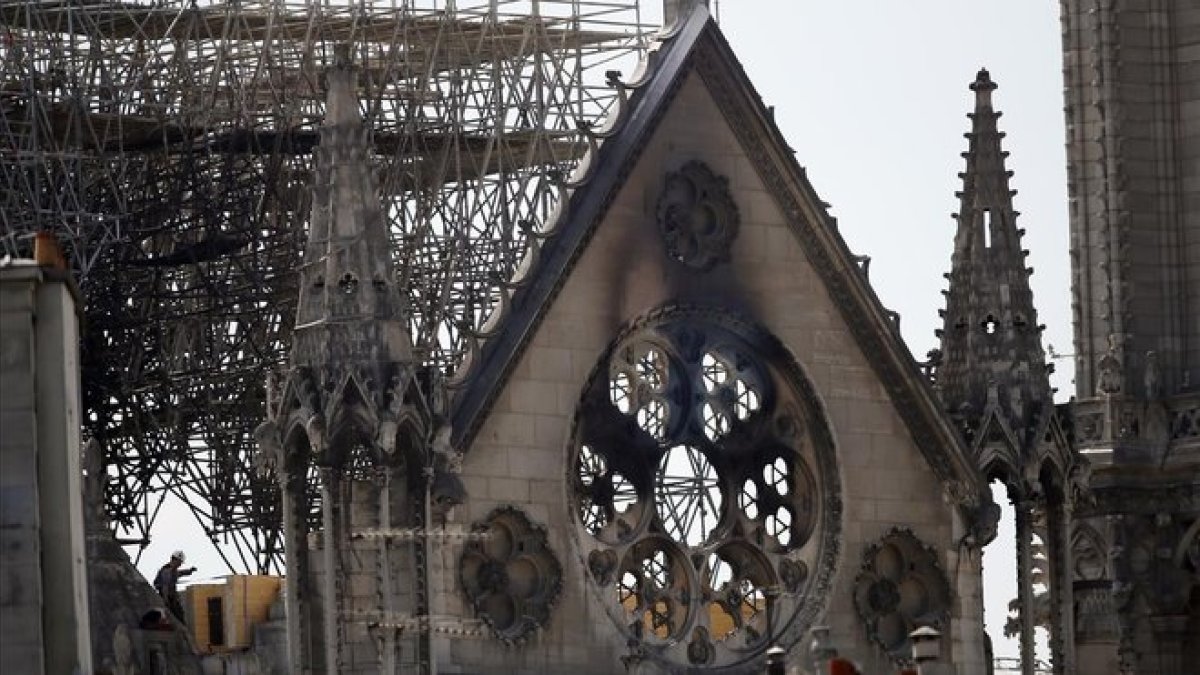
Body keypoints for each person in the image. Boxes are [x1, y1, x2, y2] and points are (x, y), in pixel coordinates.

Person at [153, 550, 196, 623]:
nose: (180, 565)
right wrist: (166, 602)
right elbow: (165, 587)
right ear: (175, 560)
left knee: (179, 614)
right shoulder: (166, 571)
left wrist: (189, 571)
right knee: (177, 616)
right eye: (180, 562)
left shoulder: (173, 570)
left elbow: (180, 573)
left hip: (171, 597)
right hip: (168, 598)